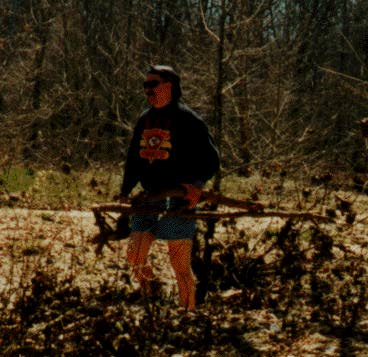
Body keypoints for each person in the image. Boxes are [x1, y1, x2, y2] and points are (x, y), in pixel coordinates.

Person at [119, 65, 220, 310]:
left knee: (179, 265)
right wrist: (125, 190)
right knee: (134, 255)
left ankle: (189, 313)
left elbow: (212, 158)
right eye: (145, 86)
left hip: (177, 201)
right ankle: (152, 294)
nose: (147, 90)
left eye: (153, 84)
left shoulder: (189, 120)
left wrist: (196, 185)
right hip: (148, 199)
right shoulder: (145, 118)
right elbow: (134, 158)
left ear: (169, 86)